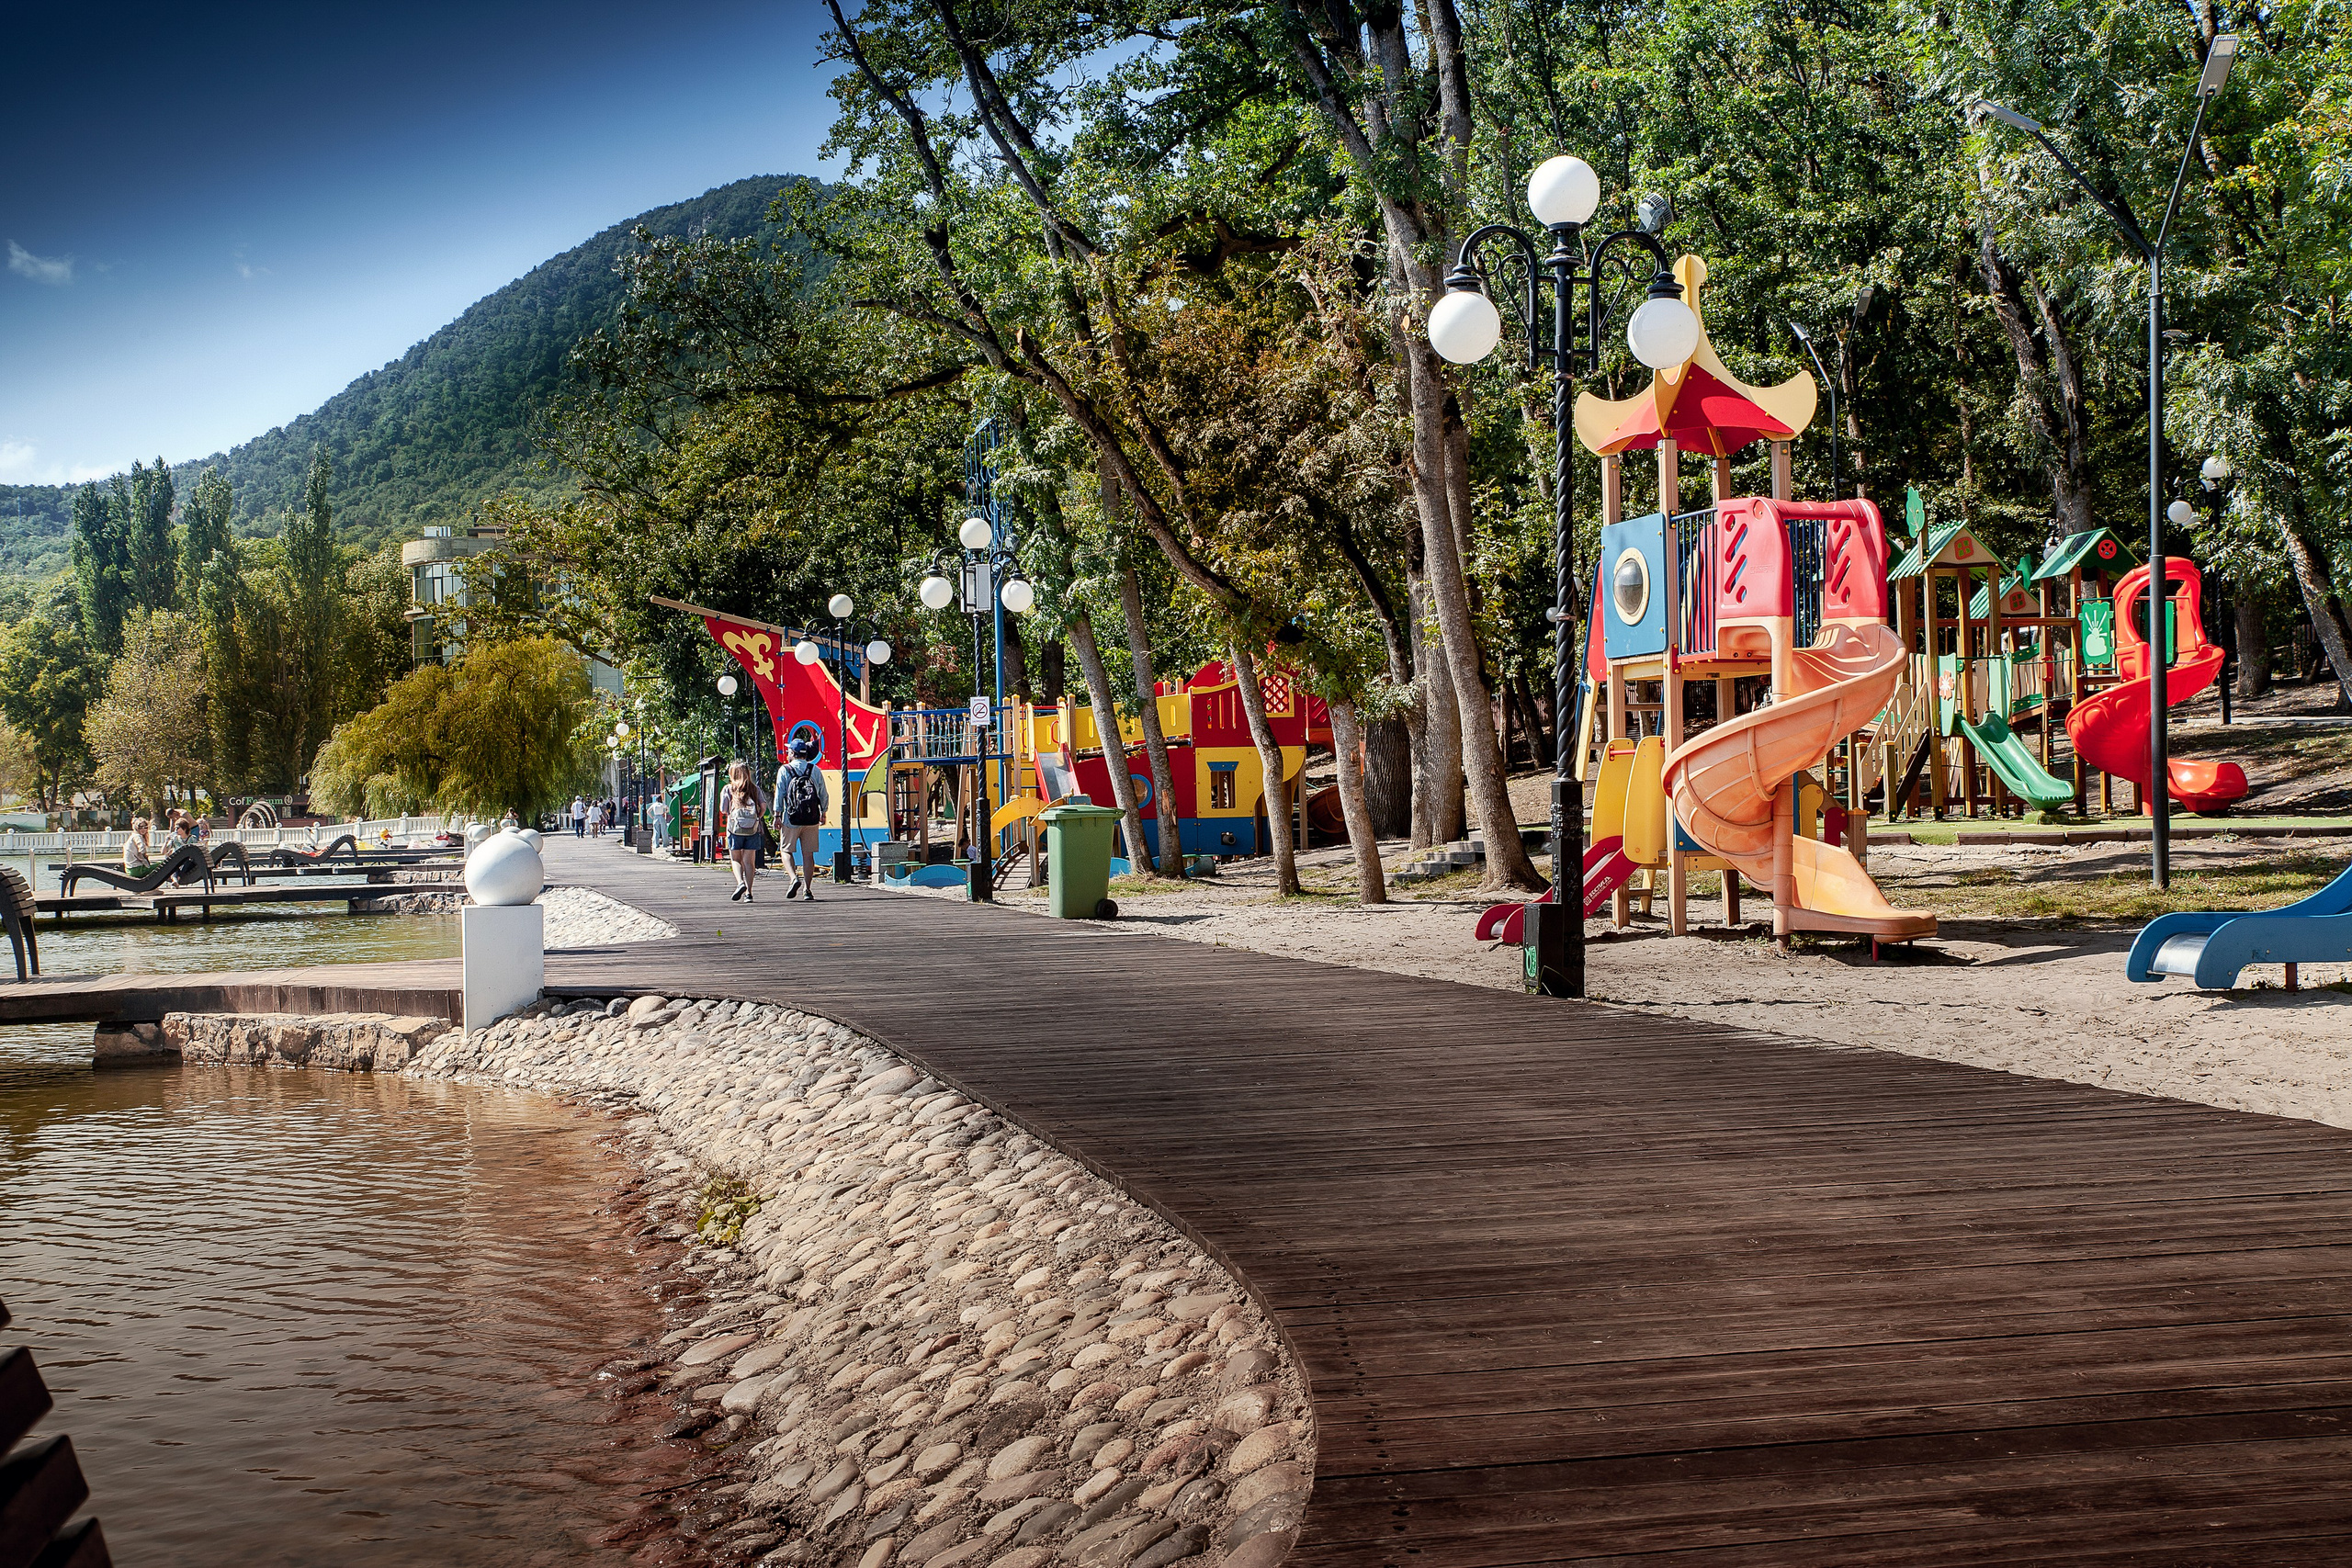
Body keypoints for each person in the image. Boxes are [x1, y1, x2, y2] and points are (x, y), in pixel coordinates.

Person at [774, 735, 828, 901]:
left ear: (792, 753)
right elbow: (823, 794)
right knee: (808, 854)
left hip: (791, 818)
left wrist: (777, 815)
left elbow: (779, 794)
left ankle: (793, 878)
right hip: (811, 818)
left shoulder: (785, 770)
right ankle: (808, 890)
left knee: (786, 850)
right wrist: (823, 812)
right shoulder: (815, 770)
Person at [721, 762, 765, 902]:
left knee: (735, 858)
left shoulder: (728, 789)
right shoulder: (754, 789)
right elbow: (763, 806)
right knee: (749, 862)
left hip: (734, 829)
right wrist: (757, 816)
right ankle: (749, 894)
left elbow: (723, 809)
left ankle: (740, 883)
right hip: (752, 829)